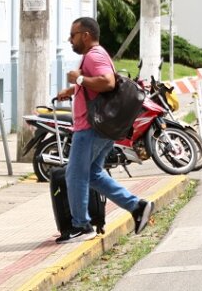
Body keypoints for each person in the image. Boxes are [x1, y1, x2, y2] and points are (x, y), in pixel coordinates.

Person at [53, 17, 154, 243]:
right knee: (92, 175)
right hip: (97, 128)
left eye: (73, 35)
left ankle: (81, 226)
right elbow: (96, 84)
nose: (71, 40)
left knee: (75, 174)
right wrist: (72, 90)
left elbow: (107, 82)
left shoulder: (94, 55)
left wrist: (78, 77)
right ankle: (137, 207)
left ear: (85, 35)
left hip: (90, 128)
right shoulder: (93, 56)